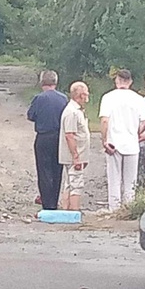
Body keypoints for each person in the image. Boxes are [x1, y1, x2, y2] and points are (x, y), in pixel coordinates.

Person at [99, 69, 145, 212]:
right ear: (130, 82)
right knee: (130, 181)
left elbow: (104, 121)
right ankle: (129, 209)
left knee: (114, 179)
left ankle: (114, 209)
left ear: (117, 81)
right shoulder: (138, 99)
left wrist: (104, 140)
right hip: (132, 143)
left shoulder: (108, 97)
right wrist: (136, 133)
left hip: (114, 142)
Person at [27, 70, 68, 211]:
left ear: (42, 82)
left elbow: (31, 116)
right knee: (57, 170)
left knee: (44, 170)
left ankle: (46, 202)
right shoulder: (63, 98)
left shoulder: (39, 99)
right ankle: (54, 201)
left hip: (43, 136)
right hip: (59, 137)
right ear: (55, 82)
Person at [58, 81, 91, 211]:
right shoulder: (72, 112)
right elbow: (69, 135)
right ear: (80, 95)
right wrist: (76, 157)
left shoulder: (76, 110)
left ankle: (67, 209)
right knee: (76, 183)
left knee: (69, 183)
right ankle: (74, 210)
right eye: (86, 94)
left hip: (75, 156)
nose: (88, 96)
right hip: (74, 157)